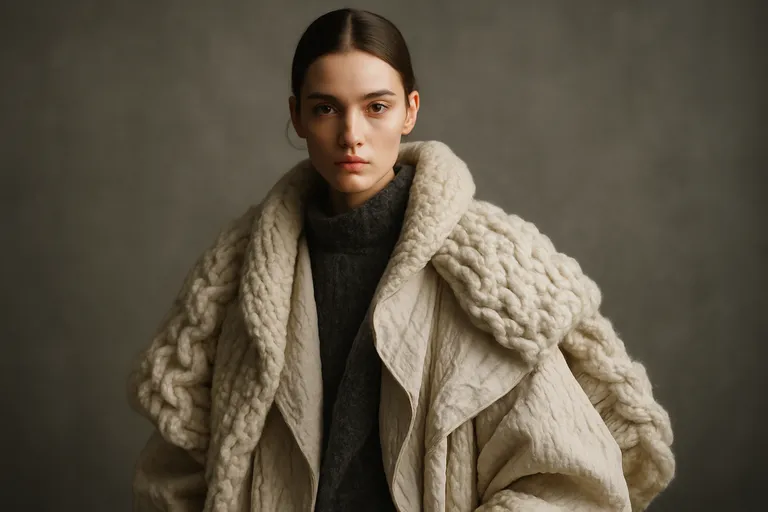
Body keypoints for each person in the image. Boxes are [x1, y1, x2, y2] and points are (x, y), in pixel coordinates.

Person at [127, 8, 675, 512]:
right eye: (325, 109)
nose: (351, 135)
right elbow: (174, 477)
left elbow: (570, 485)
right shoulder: (235, 276)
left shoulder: (491, 274)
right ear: (296, 117)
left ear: (410, 111)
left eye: (376, 107)